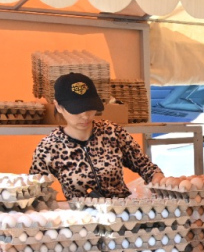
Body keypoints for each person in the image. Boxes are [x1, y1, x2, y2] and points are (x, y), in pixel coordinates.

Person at [30, 73, 163, 198]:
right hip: (81, 213)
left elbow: (147, 168)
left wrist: (161, 181)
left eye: (89, 108)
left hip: (121, 211)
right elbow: (35, 191)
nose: (85, 116)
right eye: (76, 110)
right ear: (58, 106)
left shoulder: (112, 132)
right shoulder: (49, 147)